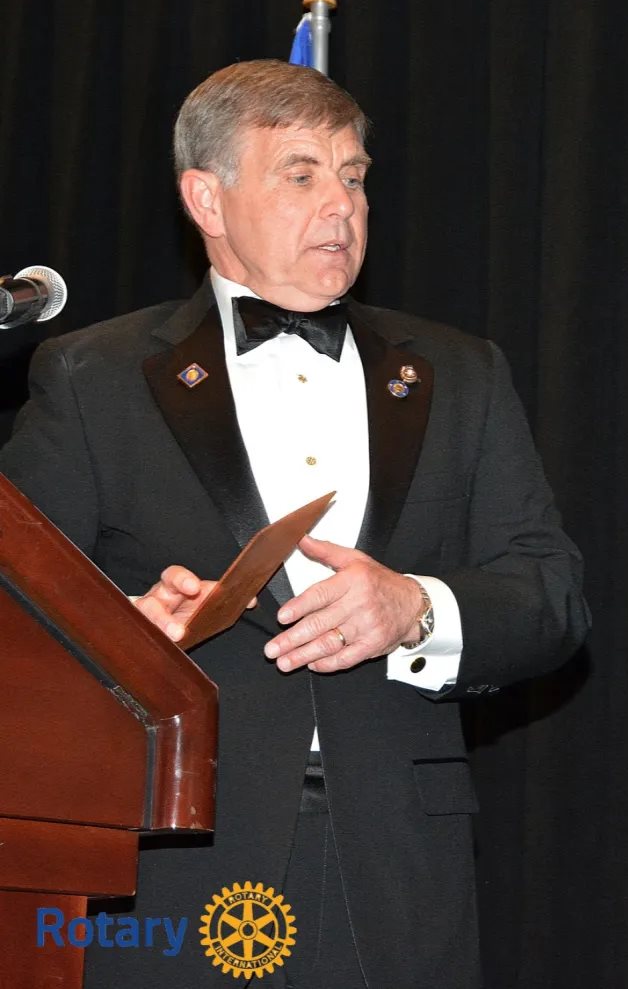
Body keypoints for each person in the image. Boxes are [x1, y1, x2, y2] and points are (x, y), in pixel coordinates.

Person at [0, 59, 590, 989]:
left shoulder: (460, 371)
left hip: (396, 861)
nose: (341, 205)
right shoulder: (92, 376)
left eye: (353, 176)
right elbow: (17, 626)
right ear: (207, 198)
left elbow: (551, 597)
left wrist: (417, 609)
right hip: (172, 861)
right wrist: (122, 635)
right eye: (301, 174)